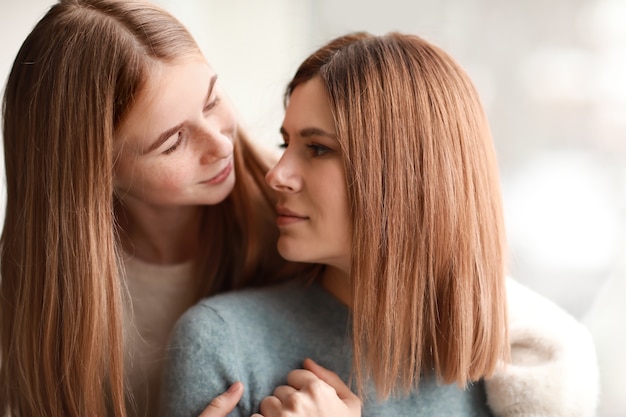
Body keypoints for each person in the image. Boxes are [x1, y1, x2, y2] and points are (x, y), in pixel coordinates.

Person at [161, 32, 600, 417]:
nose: (276, 175)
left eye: (316, 149)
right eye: (285, 142)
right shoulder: (223, 345)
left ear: (409, 173)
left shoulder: (525, 370)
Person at [0, 1, 312, 416]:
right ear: (96, 174)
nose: (220, 146)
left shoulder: (300, 224)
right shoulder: (25, 302)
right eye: (171, 142)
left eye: (211, 100)